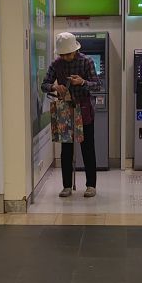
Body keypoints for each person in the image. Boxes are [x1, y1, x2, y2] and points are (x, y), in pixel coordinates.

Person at [42, 32, 100, 198]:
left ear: (75, 50)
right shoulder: (56, 64)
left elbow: (97, 85)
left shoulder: (87, 61)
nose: (65, 57)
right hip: (65, 109)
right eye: (62, 54)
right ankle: (66, 186)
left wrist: (82, 82)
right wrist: (55, 87)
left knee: (87, 148)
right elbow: (44, 85)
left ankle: (91, 185)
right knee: (66, 149)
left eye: (68, 54)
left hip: (84, 108)